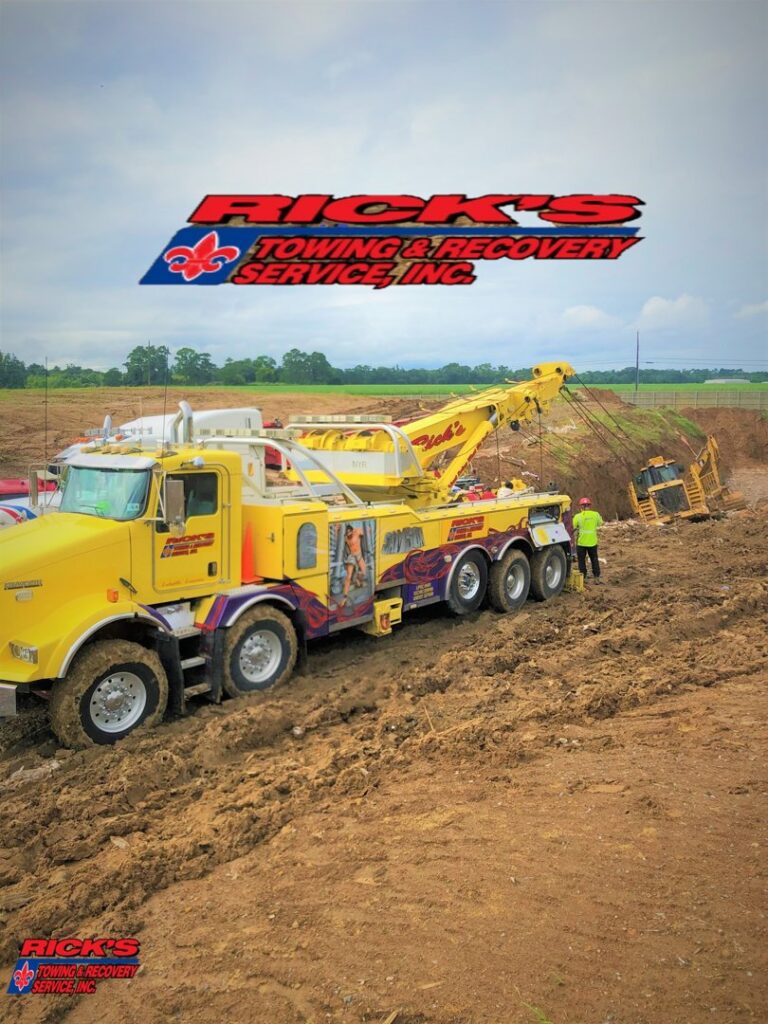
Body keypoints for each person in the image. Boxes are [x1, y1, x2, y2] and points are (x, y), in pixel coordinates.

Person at [573, 497, 604, 584]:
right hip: (592, 542)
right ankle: (596, 577)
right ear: (589, 506)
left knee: (581, 560)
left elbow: (573, 527)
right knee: (594, 559)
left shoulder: (578, 516)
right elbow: (600, 523)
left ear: (581, 507)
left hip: (581, 543)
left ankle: (583, 578)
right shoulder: (595, 514)